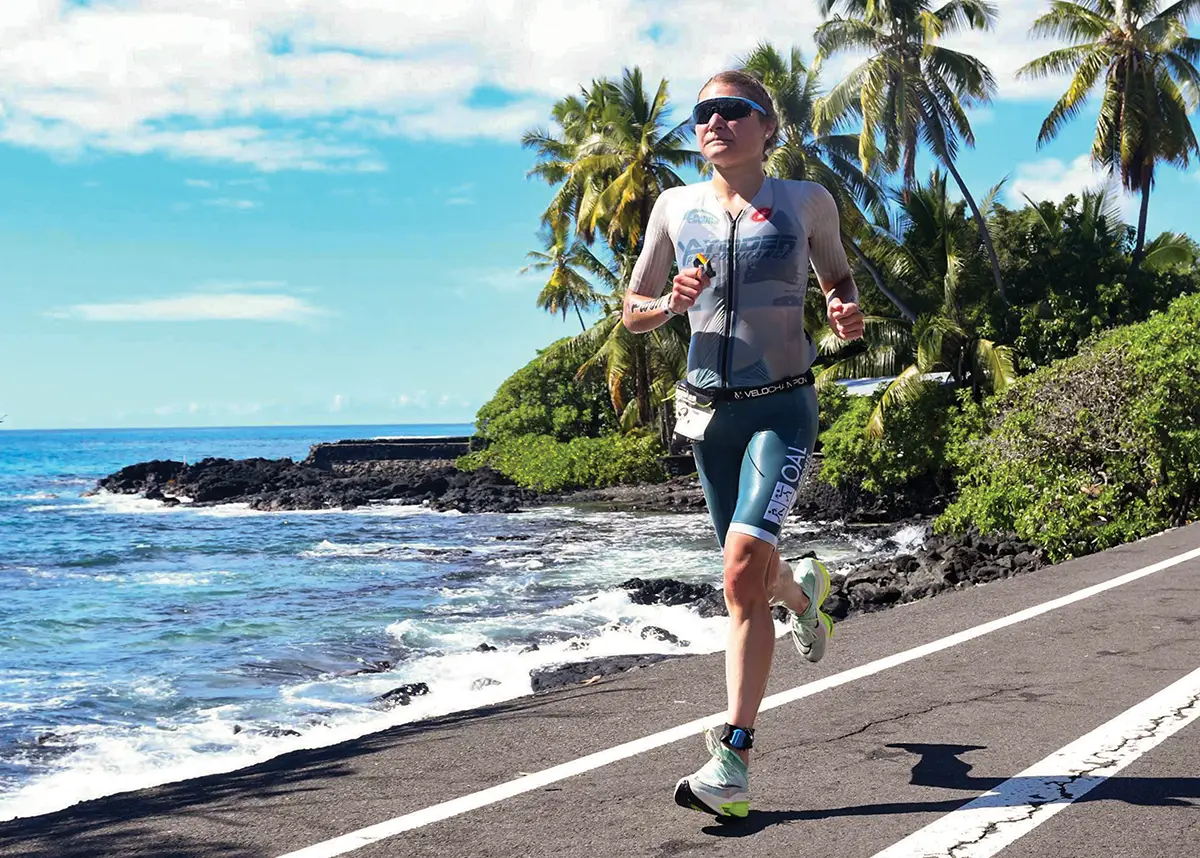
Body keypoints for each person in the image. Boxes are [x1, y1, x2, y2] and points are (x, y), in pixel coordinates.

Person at [621, 69, 865, 820]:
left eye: (733, 110)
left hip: (780, 409)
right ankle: (804, 599)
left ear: (769, 126)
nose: (715, 122)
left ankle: (733, 760)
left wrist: (843, 313)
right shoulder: (673, 208)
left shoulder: (806, 202)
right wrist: (669, 303)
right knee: (751, 580)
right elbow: (633, 311)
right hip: (707, 416)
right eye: (703, 114)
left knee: (735, 574)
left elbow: (841, 280)